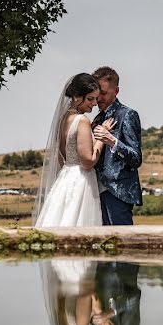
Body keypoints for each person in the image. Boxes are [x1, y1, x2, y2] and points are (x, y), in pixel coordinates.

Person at [34, 73, 115, 227]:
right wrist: (102, 137)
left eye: (95, 99)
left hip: (65, 177)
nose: (94, 104)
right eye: (90, 99)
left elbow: (63, 155)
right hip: (81, 181)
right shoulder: (82, 121)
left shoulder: (63, 119)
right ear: (77, 97)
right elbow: (88, 162)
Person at [91, 67, 143, 225]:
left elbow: (136, 158)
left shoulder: (128, 115)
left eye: (104, 93)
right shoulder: (96, 119)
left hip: (118, 193)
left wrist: (113, 141)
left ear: (116, 91)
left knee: (121, 242)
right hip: (95, 192)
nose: (99, 98)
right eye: (97, 93)